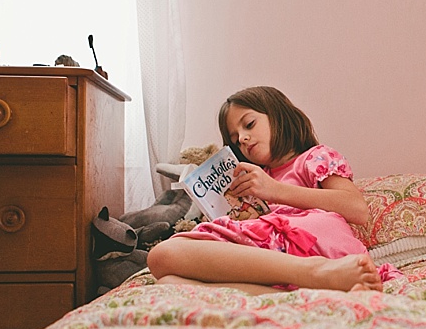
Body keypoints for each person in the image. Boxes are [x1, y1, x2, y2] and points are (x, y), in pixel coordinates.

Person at [147, 86, 399, 295]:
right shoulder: (252, 180)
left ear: (278, 115)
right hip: (271, 260)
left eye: (249, 124)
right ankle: (310, 294)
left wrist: (275, 190)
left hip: (315, 243)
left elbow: (357, 209)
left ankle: (316, 272)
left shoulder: (315, 158)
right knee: (166, 273)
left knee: (164, 257)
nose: (243, 138)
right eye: (235, 140)